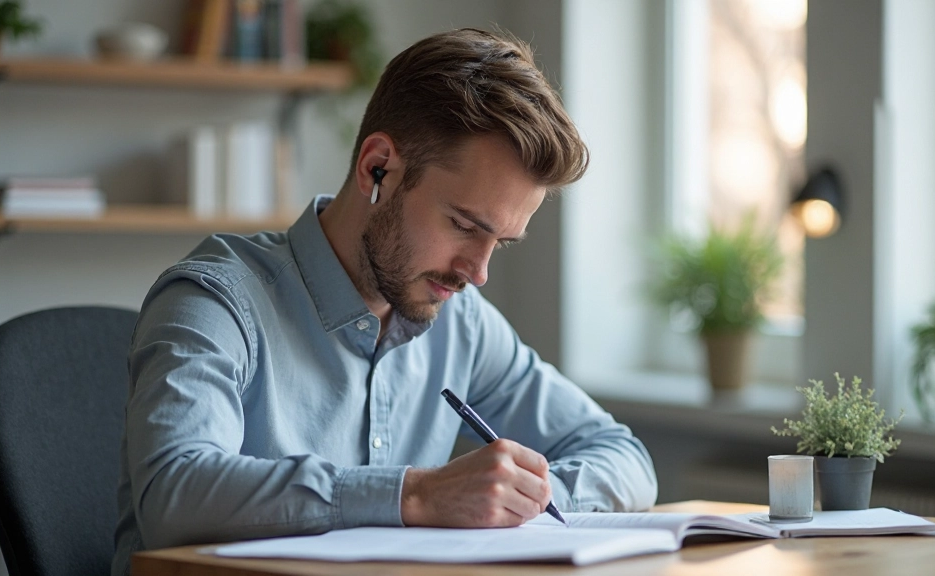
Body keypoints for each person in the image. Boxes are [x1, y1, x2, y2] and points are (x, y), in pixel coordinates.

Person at [112, 28, 657, 575]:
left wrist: (523, 497)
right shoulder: (215, 300)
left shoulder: (461, 323)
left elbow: (624, 457)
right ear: (379, 167)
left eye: (500, 243)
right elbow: (173, 493)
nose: (479, 271)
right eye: (464, 225)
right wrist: (414, 496)